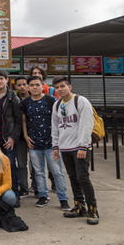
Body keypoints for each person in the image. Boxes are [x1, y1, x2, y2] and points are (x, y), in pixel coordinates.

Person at [51, 76, 99, 224]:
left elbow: (86, 124)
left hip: (79, 148)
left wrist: (83, 146)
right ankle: (79, 206)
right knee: (72, 177)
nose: (60, 90)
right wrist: (56, 145)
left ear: (69, 87)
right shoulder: (57, 104)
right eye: (57, 87)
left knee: (83, 177)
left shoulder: (81, 101)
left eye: (62, 86)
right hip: (65, 147)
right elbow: (55, 126)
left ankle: (92, 209)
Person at [22, 76, 69, 210]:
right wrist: (25, 136)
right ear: (28, 87)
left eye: (37, 84)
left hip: (51, 144)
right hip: (34, 144)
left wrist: (57, 139)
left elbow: (60, 119)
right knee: (38, 172)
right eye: (32, 85)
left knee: (57, 171)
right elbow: (24, 120)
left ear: (43, 86)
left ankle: (63, 198)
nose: (35, 87)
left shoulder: (51, 100)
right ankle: (43, 195)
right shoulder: (25, 102)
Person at [0, 70, 22, 204]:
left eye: (1, 78)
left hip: (7, 139)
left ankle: (14, 194)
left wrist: (13, 137)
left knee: (10, 167)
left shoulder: (13, 97)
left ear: (6, 80)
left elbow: (18, 120)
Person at [13, 75, 30, 197]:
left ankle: (39, 188)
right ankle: (24, 187)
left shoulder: (34, 99)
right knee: (21, 163)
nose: (22, 87)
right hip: (19, 138)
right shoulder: (14, 99)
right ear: (15, 87)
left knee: (36, 166)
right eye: (19, 85)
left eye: (24, 84)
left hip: (35, 136)